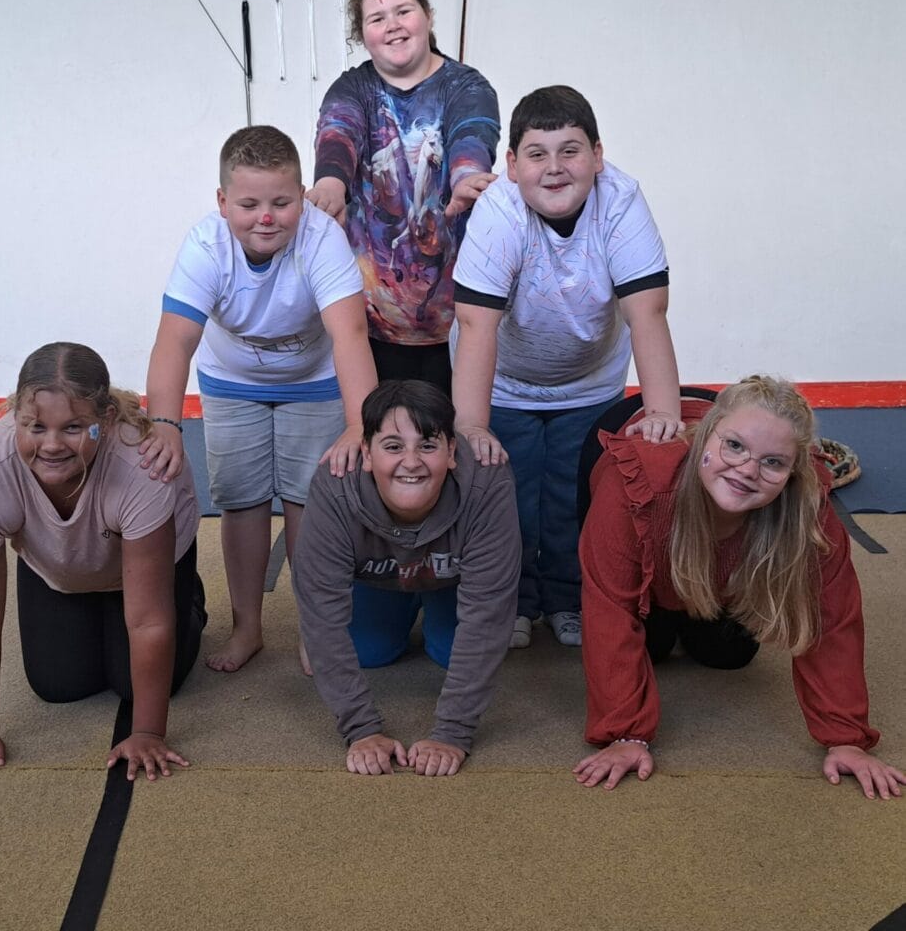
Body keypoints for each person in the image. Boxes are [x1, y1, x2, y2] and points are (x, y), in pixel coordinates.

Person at [574, 377, 905, 800]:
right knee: (647, 644)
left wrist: (846, 739)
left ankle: (695, 600)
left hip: (720, 549)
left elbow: (832, 618)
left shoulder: (807, 509)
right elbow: (608, 608)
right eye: (734, 446)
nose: (747, 469)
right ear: (706, 437)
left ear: (792, 473)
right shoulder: (636, 483)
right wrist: (626, 735)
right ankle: (666, 604)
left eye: (772, 463)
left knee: (728, 655)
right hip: (627, 446)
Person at [452, 85, 683, 652]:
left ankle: (565, 596)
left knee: (571, 498)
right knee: (509, 494)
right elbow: (477, 327)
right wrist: (473, 425)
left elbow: (648, 312)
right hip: (503, 384)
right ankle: (515, 600)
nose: (554, 168)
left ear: (598, 156)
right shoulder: (500, 211)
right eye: (537, 154)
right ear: (511, 165)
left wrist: (663, 413)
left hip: (589, 383)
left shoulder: (622, 202)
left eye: (571, 151)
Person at [141, 125, 377, 674]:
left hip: (313, 381)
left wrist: (358, 424)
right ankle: (248, 626)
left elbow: (350, 336)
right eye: (248, 204)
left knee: (307, 502)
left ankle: (312, 629)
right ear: (223, 202)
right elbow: (175, 339)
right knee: (242, 502)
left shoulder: (322, 239)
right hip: (231, 383)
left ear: (302, 197)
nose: (265, 217)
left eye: (281, 202)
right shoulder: (205, 245)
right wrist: (165, 422)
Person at [0, 342, 206, 783]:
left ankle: (189, 600)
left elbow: (149, 621)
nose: (52, 445)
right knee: (58, 686)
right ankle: (91, 609)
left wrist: (147, 732)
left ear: (105, 421)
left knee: (139, 686)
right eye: (34, 427)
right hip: (60, 567)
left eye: (73, 428)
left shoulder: (139, 463)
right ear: (15, 416)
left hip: (145, 566)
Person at [291, 380, 521, 776]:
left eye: (428, 446)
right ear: (365, 453)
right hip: (380, 578)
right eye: (393, 446)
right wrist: (360, 730)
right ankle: (400, 605)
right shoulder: (335, 483)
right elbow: (323, 613)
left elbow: (487, 616)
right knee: (368, 651)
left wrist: (452, 733)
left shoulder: (487, 481)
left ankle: (430, 606)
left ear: (452, 451)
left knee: (455, 652)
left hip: (450, 580)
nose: (411, 461)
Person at [307, 0, 500, 395]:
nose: (392, 25)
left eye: (403, 11)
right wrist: (330, 184)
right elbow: (338, 132)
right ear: (363, 34)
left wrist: (467, 177)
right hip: (372, 325)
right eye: (377, 19)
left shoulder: (466, 86)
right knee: (386, 444)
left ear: (427, 16)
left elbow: (472, 132)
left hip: (460, 323)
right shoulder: (351, 88)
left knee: (452, 444)